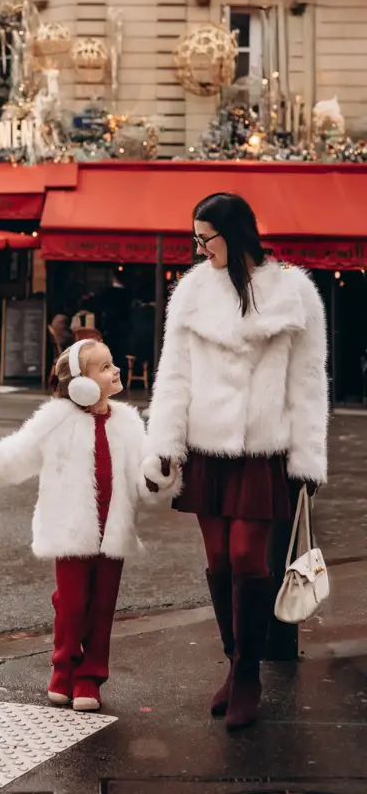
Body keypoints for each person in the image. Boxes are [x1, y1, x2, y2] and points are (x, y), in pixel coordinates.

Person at [145, 192, 328, 731]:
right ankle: (233, 661)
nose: (199, 248)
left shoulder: (294, 292)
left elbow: (308, 380)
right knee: (220, 560)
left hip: (263, 449)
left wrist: (307, 457)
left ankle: (249, 672)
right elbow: (173, 374)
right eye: (194, 238)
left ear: (236, 232)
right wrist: (164, 444)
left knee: (251, 557)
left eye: (206, 237)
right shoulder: (192, 292)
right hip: (205, 447)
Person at [0, 339, 180, 711]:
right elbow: (18, 453)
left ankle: (90, 677)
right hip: (70, 531)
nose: (115, 371)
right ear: (80, 384)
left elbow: (143, 478)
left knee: (103, 605)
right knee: (70, 604)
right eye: (104, 368)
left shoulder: (129, 422)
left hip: (113, 531)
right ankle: (63, 667)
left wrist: (158, 476)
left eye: (112, 363)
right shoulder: (56, 420)